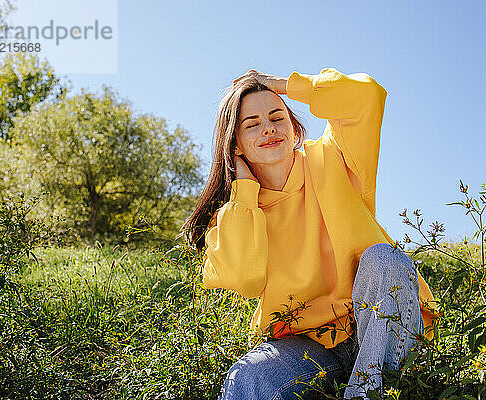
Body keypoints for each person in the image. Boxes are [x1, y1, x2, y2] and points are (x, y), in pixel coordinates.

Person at [181, 67, 438, 399]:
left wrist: (281, 85)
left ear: (294, 128)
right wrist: (244, 191)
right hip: (307, 347)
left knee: (382, 258)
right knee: (249, 379)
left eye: (277, 117)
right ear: (236, 145)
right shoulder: (236, 213)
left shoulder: (334, 157)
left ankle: (366, 391)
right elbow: (244, 279)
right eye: (252, 125)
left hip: (380, 326)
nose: (268, 129)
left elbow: (367, 96)